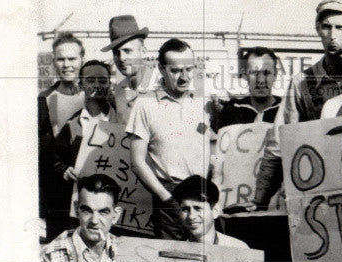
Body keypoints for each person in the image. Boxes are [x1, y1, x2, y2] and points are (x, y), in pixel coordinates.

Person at [253, 0, 342, 208]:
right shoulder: (302, 83)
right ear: (317, 28)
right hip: (316, 188)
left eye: (340, 27)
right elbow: (279, 142)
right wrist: (260, 200)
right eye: (327, 27)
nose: (333, 35)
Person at [125, 38, 212, 240]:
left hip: (203, 194)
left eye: (189, 69)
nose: (184, 77)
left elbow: (213, 149)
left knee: (207, 261)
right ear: (161, 69)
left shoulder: (203, 102)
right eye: (175, 71)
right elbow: (137, 162)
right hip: (170, 195)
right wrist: (166, 198)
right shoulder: (145, 104)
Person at [40, 60, 119, 241]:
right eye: (91, 80)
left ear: (109, 83)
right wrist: (64, 169)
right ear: (81, 84)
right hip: (84, 210)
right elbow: (52, 159)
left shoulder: (121, 120)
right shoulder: (72, 125)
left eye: (102, 80)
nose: (97, 85)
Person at [101, 14, 158, 123]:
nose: (122, 58)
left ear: (143, 52)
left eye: (127, 51)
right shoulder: (118, 91)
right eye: (116, 52)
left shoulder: (161, 87)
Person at [210, 46, 282, 130]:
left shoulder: (287, 110)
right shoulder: (231, 112)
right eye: (254, 73)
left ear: (275, 74)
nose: (261, 80)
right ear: (244, 75)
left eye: (266, 73)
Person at [38, 33, 85, 140]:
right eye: (61, 59)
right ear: (54, 62)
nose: (66, 65)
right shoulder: (44, 99)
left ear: (82, 60)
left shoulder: (96, 95)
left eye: (72, 59)